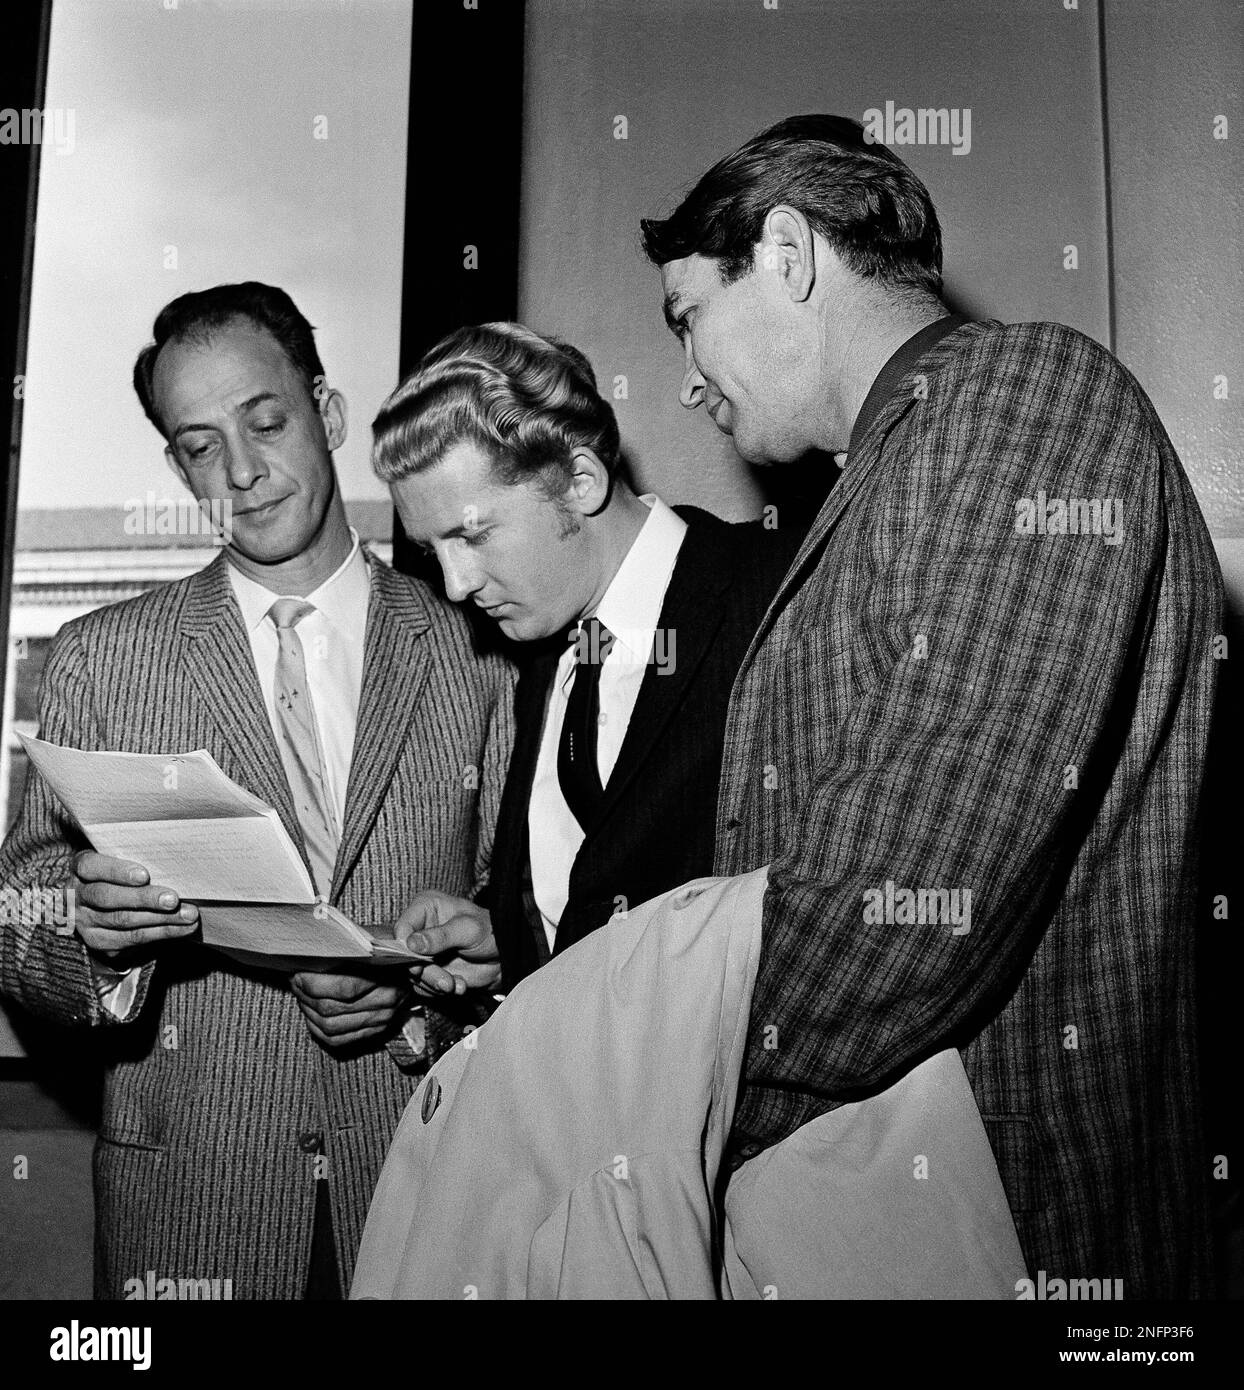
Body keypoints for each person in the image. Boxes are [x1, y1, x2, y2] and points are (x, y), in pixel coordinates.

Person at [639, 114, 1221, 1298]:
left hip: (1022, 1228)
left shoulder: (1023, 396)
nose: (687, 378)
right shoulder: (902, 460)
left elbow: (908, 896)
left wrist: (626, 1064)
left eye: (688, 316)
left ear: (790, 255)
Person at [0, 282, 514, 1299]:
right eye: (199, 446)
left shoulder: (476, 649)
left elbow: (525, 933)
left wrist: (420, 1004)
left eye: (264, 422)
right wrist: (90, 936)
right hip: (194, 1214)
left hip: (430, 1193)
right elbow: (16, 919)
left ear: (325, 416)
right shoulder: (103, 659)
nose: (239, 471)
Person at [368, 322, 800, 995]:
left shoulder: (783, 596)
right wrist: (511, 941)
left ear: (580, 480)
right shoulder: (544, 659)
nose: (456, 585)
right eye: (434, 551)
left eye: (473, 535)